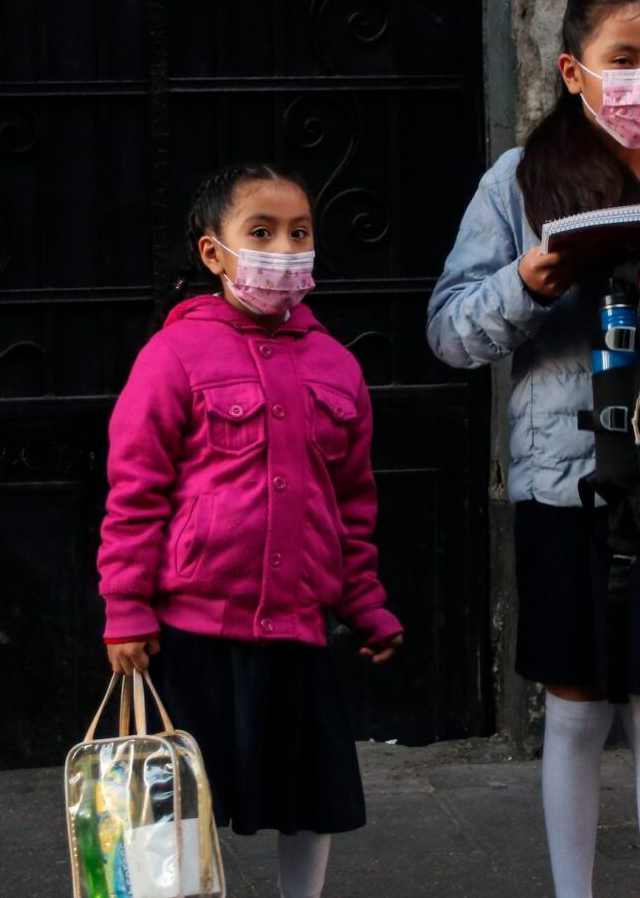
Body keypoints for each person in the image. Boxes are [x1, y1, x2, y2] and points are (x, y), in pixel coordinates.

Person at [426, 0, 640, 898]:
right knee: (573, 704)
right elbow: (448, 331)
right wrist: (525, 284)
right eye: (623, 60)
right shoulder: (519, 179)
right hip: (565, 478)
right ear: (575, 71)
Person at [97, 164, 404, 898]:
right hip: (194, 633)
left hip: (299, 627)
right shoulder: (173, 356)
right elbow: (136, 493)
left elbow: (352, 505)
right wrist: (126, 607)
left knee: (312, 796)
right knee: (178, 805)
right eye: (260, 233)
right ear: (213, 252)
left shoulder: (336, 366)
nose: (283, 249)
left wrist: (365, 603)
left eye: (299, 233)